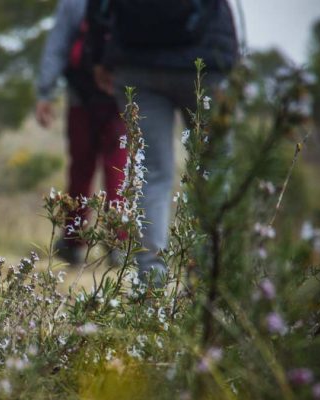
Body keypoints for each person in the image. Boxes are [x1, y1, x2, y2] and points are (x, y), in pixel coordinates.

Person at [91, 0, 238, 281]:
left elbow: (96, 7)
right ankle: (210, 281)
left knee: (151, 174)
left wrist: (98, 55)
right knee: (214, 169)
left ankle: (151, 282)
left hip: (135, 58)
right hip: (207, 57)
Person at [35, 0, 127, 265]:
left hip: (81, 98)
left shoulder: (74, 3)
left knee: (80, 169)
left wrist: (46, 91)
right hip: (121, 99)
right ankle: (118, 243)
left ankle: (73, 242)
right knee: (119, 170)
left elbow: (58, 45)